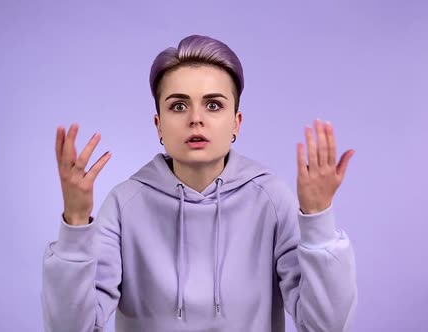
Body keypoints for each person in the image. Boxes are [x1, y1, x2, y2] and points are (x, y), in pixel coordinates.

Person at [41, 34, 357, 332]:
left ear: (236, 122)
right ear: (158, 125)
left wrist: (318, 219)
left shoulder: (272, 200)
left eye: (213, 104)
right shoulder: (124, 204)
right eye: (178, 105)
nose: (196, 118)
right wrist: (76, 223)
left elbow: (325, 326)